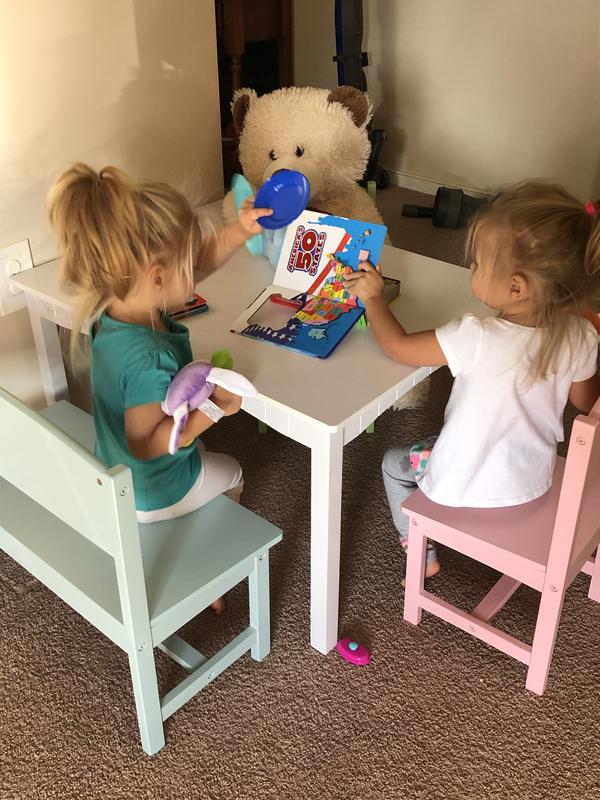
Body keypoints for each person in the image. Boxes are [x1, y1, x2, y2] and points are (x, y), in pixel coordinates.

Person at [344, 181, 600, 579]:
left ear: (516, 286)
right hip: (534, 478)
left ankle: (419, 550)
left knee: (393, 463)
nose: (471, 268)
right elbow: (587, 404)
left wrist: (374, 298)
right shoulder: (581, 336)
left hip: (461, 481)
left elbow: (397, 347)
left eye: (478, 263)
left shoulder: (475, 336)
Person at [48, 164, 271, 600]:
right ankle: (215, 570)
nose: (197, 268)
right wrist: (215, 408)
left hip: (114, 468)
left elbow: (195, 264)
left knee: (198, 449)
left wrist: (240, 231)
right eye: (187, 264)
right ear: (156, 277)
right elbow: (147, 444)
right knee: (234, 473)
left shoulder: (112, 307)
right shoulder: (151, 358)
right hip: (150, 489)